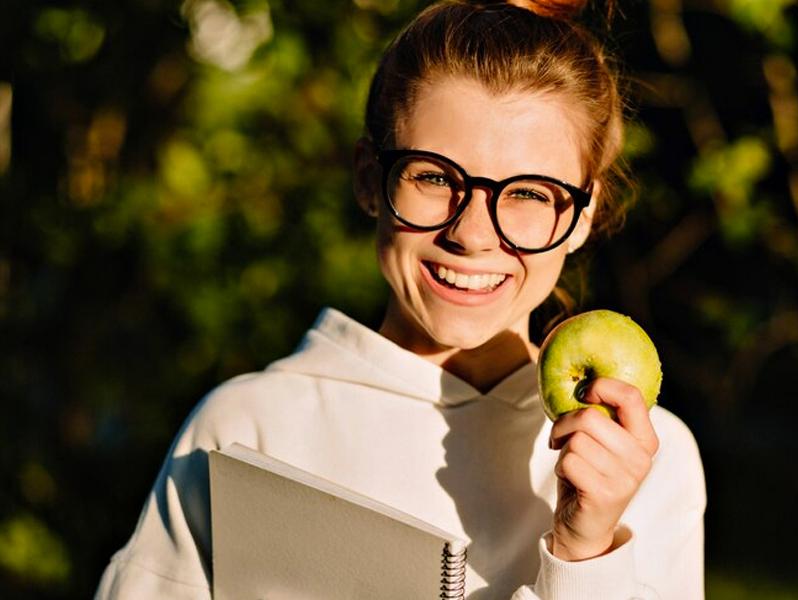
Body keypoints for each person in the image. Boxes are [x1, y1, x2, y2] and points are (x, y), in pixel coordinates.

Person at [95, 0, 706, 598]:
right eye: (435, 177)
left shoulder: (648, 460)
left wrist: (587, 557)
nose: (472, 234)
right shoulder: (243, 431)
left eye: (529, 193)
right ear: (370, 178)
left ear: (582, 214)